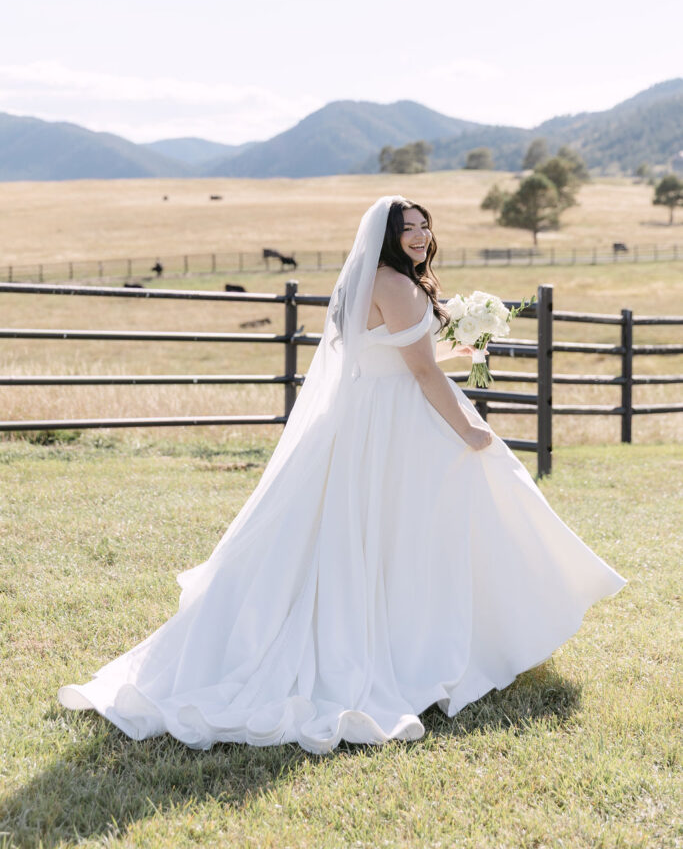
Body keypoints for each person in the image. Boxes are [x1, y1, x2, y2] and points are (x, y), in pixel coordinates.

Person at [59, 195, 626, 755]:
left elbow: (403, 354)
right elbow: (424, 374)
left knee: (376, 531)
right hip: (398, 420)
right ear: (385, 235)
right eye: (408, 228)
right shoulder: (397, 285)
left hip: (367, 414)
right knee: (446, 511)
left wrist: (469, 336)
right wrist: (470, 431)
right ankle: (450, 638)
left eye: (425, 225)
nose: (420, 235)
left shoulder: (378, 282)